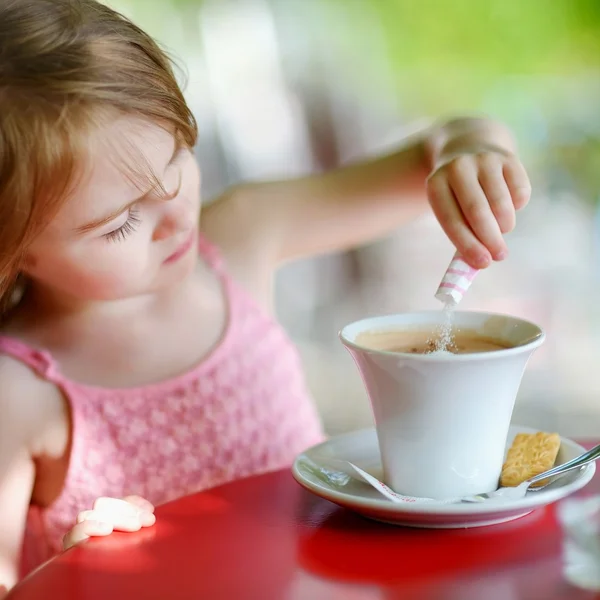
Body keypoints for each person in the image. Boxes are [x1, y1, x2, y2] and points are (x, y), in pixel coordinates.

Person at [0, 0, 531, 594]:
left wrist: (473, 151)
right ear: (15, 249)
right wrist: (69, 579)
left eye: (177, 155)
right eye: (121, 221)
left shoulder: (241, 234)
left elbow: (437, 149)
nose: (175, 217)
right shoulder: (17, 393)